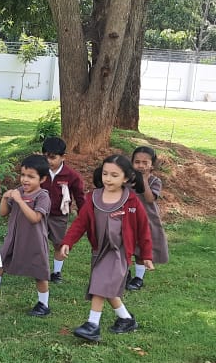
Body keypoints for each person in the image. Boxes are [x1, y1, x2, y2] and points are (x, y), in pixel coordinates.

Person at [59, 154, 154, 342]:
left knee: (100, 283)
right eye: (105, 174)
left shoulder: (132, 202)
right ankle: (126, 319)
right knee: (106, 286)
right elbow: (80, 223)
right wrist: (67, 242)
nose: (108, 179)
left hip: (119, 252)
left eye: (114, 175)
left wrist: (147, 255)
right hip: (100, 250)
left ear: (126, 178)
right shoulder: (93, 198)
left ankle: (92, 325)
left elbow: (143, 230)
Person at [0, 154, 53, 317]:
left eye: (31, 177)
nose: (25, 179)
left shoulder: (42, 196)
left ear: (42, 179)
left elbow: (35, 218)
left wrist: (19, 201)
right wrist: (5, 198)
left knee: (39, 274)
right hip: (14, 239)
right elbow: (3, 213)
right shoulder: (18, 191)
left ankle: (43, 304)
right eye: (23, 175)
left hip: (34, 242)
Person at [41, 137, 86, 285]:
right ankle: (39, 269)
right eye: (45, 157)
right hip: (39, 214)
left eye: (52, 157)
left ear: (63, 157)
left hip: (59, 216)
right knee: (38, 242)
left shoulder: (71, 176)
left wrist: (84, 215)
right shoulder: (39, 171)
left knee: (59, 243)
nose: (49, 161)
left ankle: (57, 272)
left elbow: (80, 197)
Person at [127, 146, 169, 290]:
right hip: (127, 219)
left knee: (140, 250)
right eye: (137, 162)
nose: (141, 166)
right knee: (124, 247)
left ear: (152, 165)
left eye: (145, 163)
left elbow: (150, 199)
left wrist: (144, 180)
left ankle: (138, 278)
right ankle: (125, 273)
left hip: (146, 219)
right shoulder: (126, 180)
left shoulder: (154, 181)